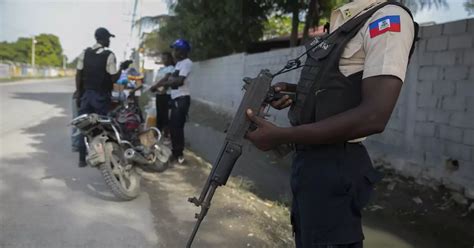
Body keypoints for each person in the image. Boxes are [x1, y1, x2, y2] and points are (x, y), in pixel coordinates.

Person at [245, 0, 417, 247]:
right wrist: (295, 93)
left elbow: (374, 115)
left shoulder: (388, 19)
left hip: (336, 165)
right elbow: (338, 87)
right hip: (311, 161)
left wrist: (281, 136)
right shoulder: (347, 18)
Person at [76, 27, 131, 167]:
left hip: (86, 95)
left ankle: (82, 158)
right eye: (109, 39)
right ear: (104, 39)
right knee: (103, 126)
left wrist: (79, 93)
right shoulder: (109, 55)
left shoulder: (85, 53)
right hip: (100, 96)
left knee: (84, 126)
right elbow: (114, 78)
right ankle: (107, 159)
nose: (110, 41)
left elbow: (79, 75)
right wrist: (122, 68)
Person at [153, 39, 192, 164]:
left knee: (177, 127)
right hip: (176, 98)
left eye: (175, 49)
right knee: (173, 127)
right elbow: (172, 79)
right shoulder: (179, 64)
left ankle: (179, 155)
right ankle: (175, 153)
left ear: (182, 51)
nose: (173, 52)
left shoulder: (186, 63)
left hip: (182, 98)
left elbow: (178, 81)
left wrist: (167, 82)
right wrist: (169, 81)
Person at [150, 52, 176, 144]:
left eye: (166, 58)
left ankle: (167, 136)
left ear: (170, 59)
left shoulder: (172, 68)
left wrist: (155, 86)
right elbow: (157, 80)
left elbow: (166, 79)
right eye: (163, 58)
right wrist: (155, 87)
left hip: (166, 95)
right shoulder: (162, 69)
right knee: (159, 115)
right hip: (159, 94)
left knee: (165, 116)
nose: (164, 60)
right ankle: (158, 134)